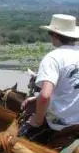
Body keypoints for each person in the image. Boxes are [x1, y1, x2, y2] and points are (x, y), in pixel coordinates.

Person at [19, 14, 79, 144]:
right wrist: (37, 98)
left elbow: (45, 95)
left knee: (12, 146)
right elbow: (72, 87)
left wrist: (38, 120)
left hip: (61, 124)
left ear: (56, 35)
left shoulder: (53, 58)